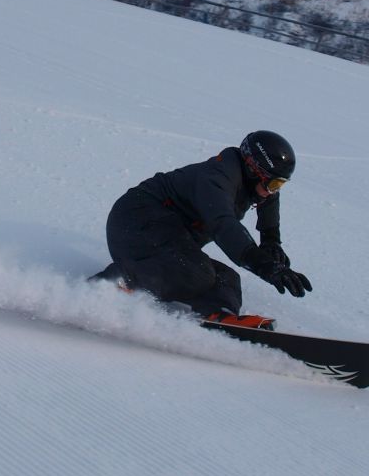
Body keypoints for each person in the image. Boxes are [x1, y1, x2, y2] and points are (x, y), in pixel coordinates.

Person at [91, 130, 312, 329]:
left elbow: (270, 204)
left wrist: (271, 241)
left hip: (166, 237)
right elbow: (223, 225)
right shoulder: (217, 178)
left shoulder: (254, 184)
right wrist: (264, 265)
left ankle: (219, 317)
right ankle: (116, 281)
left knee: (227, 278)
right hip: (135, 221)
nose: (273, 191)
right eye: (273, 184)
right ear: (254, 170)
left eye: (280, 185)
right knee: (196, 272)